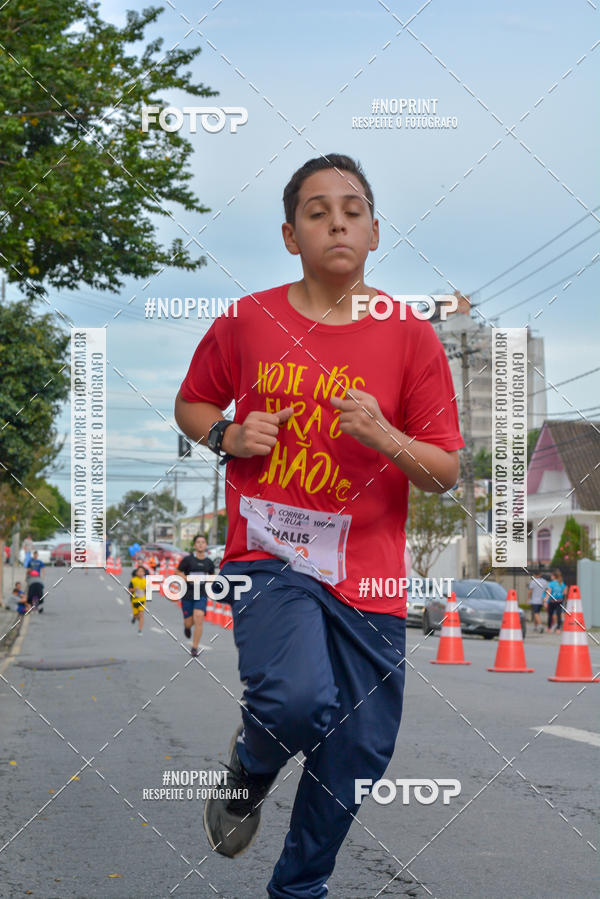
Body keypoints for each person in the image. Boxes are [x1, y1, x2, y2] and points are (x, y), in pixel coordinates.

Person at [175, 153, 463, 898]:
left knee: (358, 752)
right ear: (289, 234)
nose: (336, 218)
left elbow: (444, 469)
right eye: (316, 209)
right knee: (295, 700)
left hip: (369, 576)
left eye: (353, 208)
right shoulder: (247, 321)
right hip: (271, 556)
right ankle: (252, 764)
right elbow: (193, 405)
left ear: (373, 232)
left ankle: (298, 888)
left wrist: (384, 437)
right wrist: (228, 437)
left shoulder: (410, 336)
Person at [175, 534, 215, 657]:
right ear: (194, 545)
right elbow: (177, 572)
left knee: (199, 617)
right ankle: (187, 627)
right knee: (189, 622)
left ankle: (195, 647)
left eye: (203, 542)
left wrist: (210, 580)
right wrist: (187, 578)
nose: (200, 544)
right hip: (187, 594)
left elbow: (212, 576)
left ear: (206, 545)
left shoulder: (209, 562)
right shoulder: (188, 560)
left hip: (201, 594)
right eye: (198, 542)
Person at [128, 565, 147, 635]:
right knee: (136, 614)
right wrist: (133, 589)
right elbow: (129, 590)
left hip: (142, 600)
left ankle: (140, 630)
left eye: (142, 571)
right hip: (134, 600)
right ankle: (134, 617)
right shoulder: (133, 580)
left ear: (144, 573)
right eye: (139, 571)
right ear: (136, 573)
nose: (140, 573)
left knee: (141, 614)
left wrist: (146, 589)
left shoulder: (145, 580)